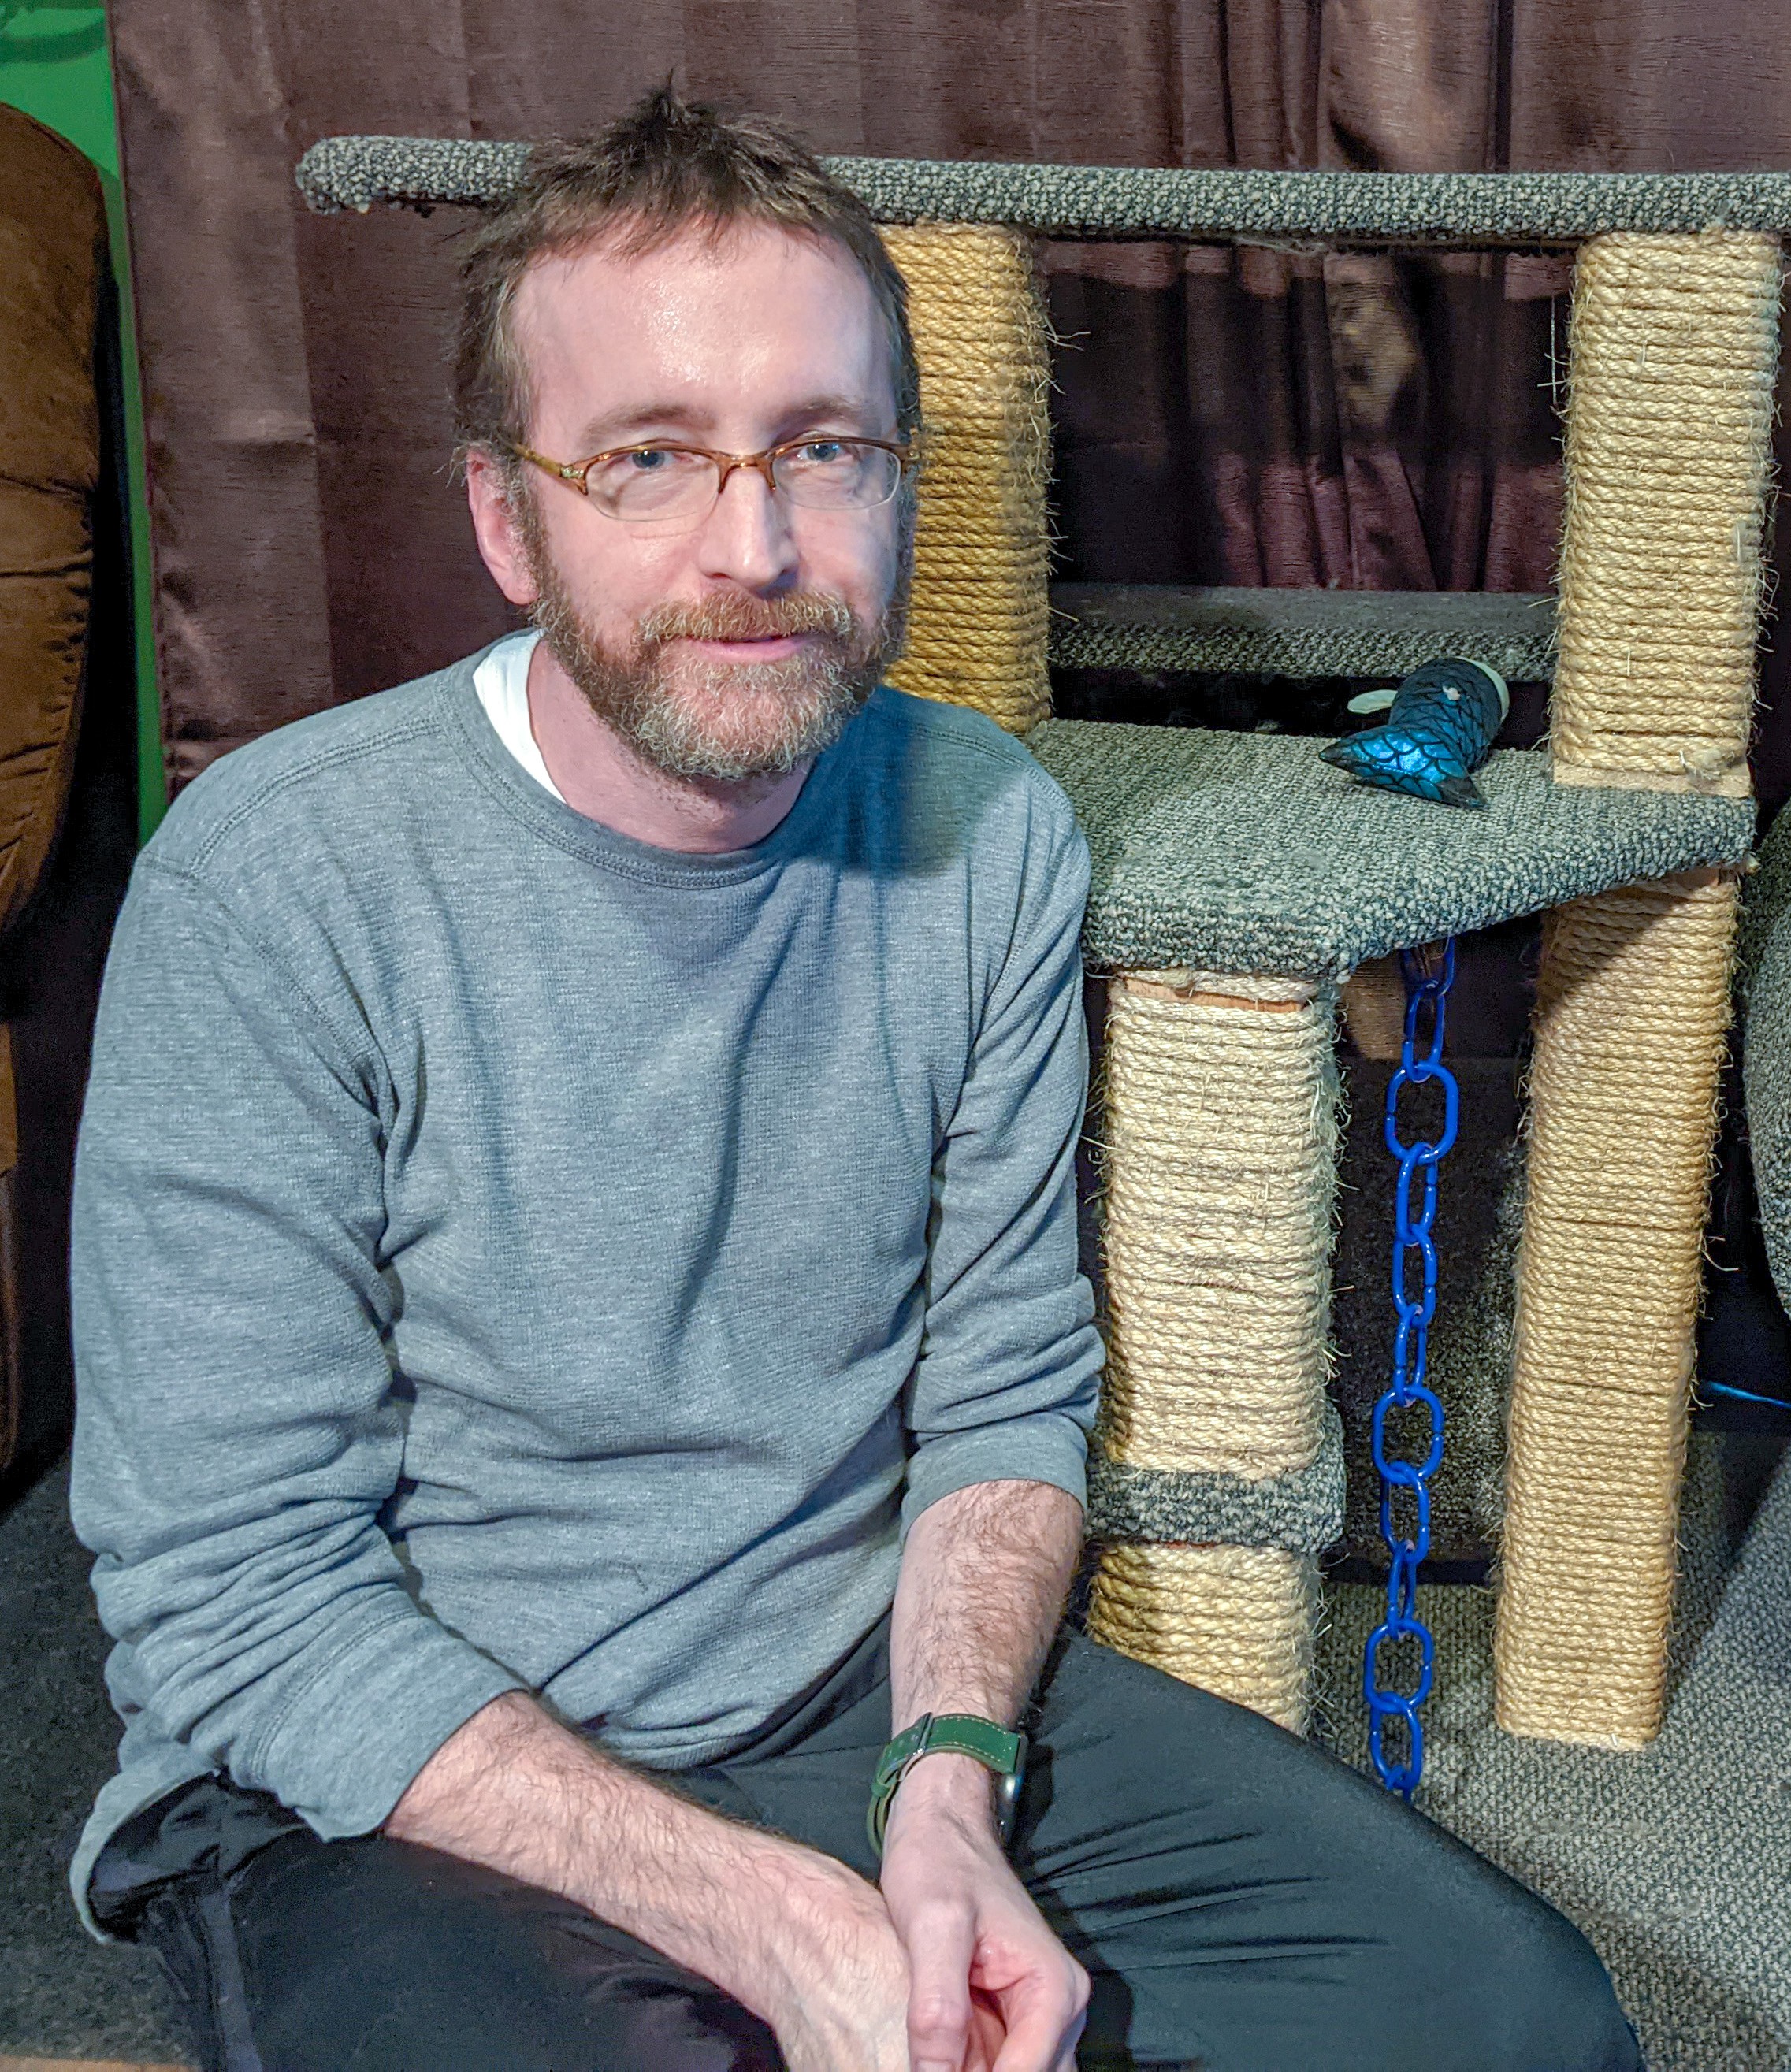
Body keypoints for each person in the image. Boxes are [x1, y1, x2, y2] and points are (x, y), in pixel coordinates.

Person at [65, 87, 1639, 2072]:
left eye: (824, 449)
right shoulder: (276, 882)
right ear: (505, 518)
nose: (756, 547)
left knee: (1514, 2021)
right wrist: (769, 1913)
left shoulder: (987, 829)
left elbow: (1000, 1386)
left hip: (847, 1701)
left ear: (903, 483)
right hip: (383, 1771)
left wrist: (943, 1788)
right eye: (647, 458)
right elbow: (237, 1590)